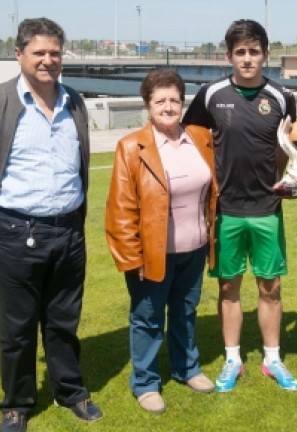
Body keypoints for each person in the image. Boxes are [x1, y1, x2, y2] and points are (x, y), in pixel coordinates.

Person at [0, 17, 102, 432]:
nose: (48, 60)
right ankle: (16, 403)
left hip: (68, 232)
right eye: (39, 52)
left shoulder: (74, 102)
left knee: (64, 321)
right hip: (15, 233)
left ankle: (69, 390)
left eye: (55, 53)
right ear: (19, 54)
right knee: (17, 328)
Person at [182, 19, 297, 393]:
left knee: (270, 287)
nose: (247, 59)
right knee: (228, 287)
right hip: (226, 211)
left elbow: (291, 148)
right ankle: (232, 358)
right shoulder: (210, 94)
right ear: (229, 55)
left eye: (254, 52)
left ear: (266, 54)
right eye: (240, 52)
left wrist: (287, 179)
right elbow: (190, 140)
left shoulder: (282, 97)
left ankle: (272, 358)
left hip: (267, 209)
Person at [105, 69, 218, 414]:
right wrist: (132, 257)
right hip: (153, 254)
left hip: (194, 248)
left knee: (185, 312)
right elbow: (121, 209)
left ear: (183, 102)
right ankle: (145, 383)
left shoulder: (200, 137)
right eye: (160, 101)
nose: (168, 107)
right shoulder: (131, 147)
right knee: (148, 318)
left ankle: (187, 369)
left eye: (174, 100)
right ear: (147, 104)